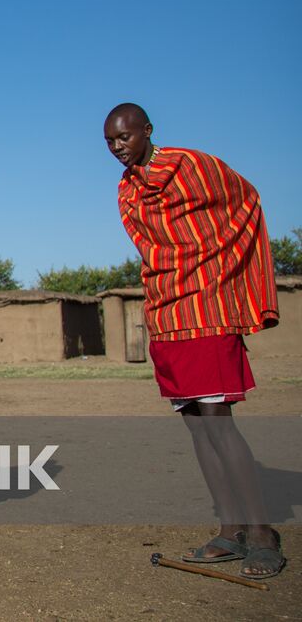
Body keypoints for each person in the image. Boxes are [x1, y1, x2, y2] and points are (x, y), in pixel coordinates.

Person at [104, 102, 284, 579]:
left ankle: (263, 532)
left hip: (207, 309)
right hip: (166, 312)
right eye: (110, 142)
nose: (118, 147)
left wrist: (220, 267)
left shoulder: (191, 166)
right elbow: (153, 246)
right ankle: (231, 529)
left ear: (147, 131)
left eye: (124, 137)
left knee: (218, 421)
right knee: (196, 426)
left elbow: (245, 199)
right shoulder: (126, 191)